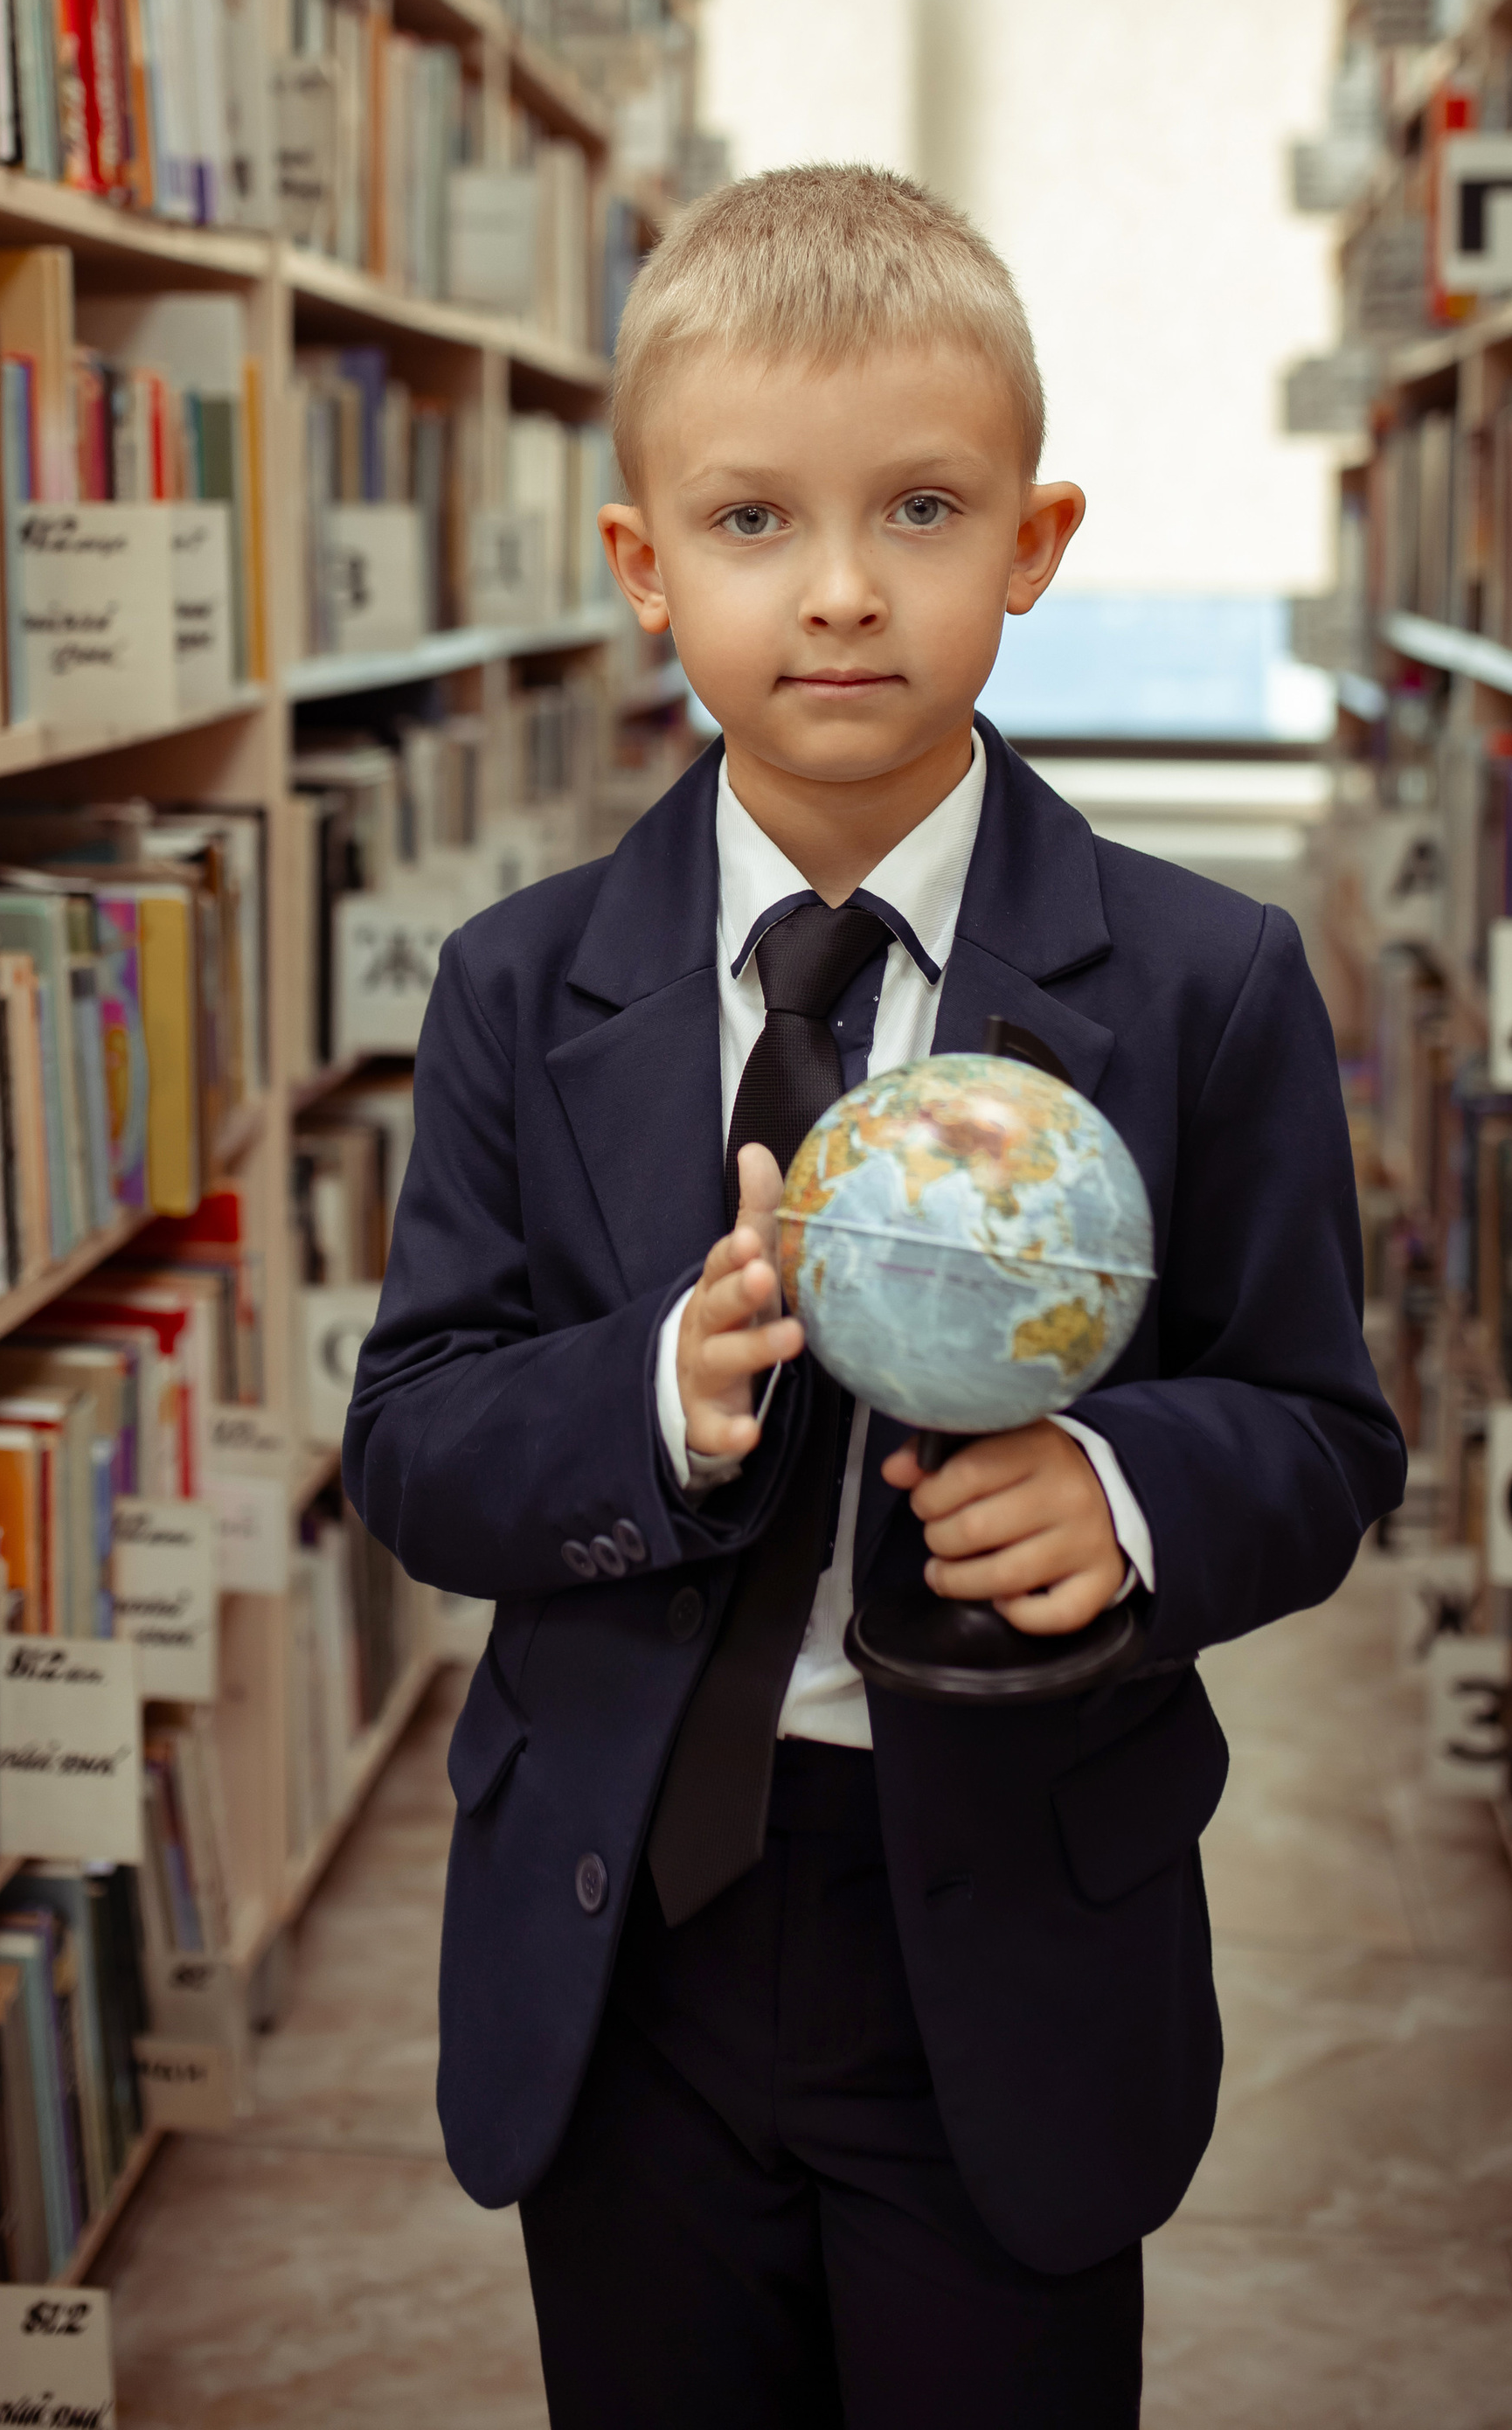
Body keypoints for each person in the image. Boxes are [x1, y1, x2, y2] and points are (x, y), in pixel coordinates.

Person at [343, 165, 1404, 2428]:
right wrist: (651, 1404)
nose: (841, 591)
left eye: (922, 509)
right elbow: (416, 1431)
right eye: (752, 523)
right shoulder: (523, 989)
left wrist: (1124, 1488)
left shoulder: (1210, 990)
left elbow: (1320, 1437)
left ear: (1034, 541)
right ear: (642, 568)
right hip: (632, 1948)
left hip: (1009, 1949)